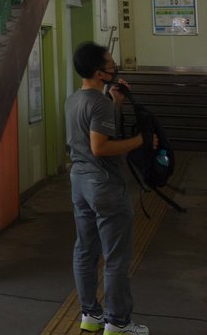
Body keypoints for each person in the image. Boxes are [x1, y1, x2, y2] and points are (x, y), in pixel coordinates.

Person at [66, 42, 156, 335]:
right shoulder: (98, 103)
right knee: (115, 258)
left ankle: (90, 315)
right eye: (109, 63)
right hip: (103, 185)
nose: (113, 66)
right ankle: (118, 322)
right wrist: (141, 141)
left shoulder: (74, 100)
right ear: (98, 72)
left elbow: (96, 132)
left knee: (85, 251)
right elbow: (100, 146)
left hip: (79, 182)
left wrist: (115, 102)